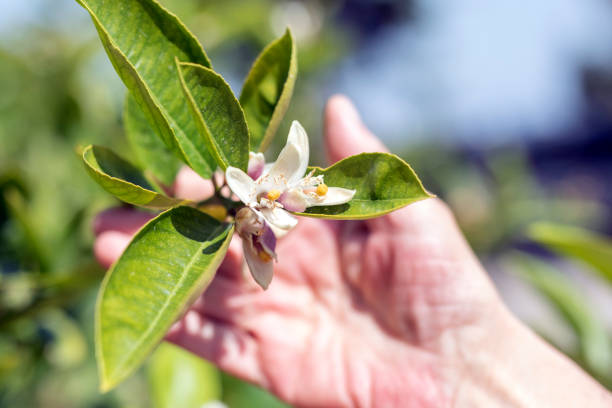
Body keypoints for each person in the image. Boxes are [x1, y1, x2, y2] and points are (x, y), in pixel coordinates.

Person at [93, 96, 612, 407]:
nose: (274, 201)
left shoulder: (283, 203)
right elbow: (246, 180)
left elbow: (285, 201)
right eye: (268, 199)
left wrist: (464, 365)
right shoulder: (257, 190)